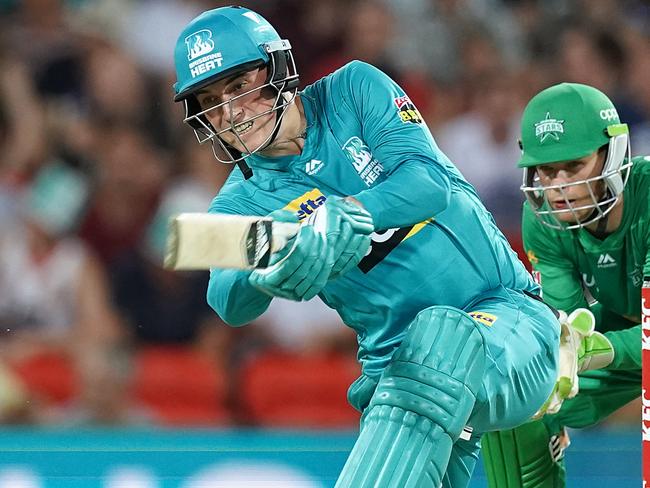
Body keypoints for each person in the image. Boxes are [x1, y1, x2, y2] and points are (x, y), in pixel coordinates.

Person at [172, 6, 561, 487]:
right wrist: (270, 262)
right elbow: (225, 299)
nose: (230, 113)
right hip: (396, 379)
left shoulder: (354, 88)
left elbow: (428, 183)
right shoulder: (234, 206)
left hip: (506, 319)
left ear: (277, 70)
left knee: (440, 338)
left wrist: (345, 213)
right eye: (211, 102)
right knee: (419, 360)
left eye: (239, 88)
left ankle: (563, 359)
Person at [482, 83, 647, 487]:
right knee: (515, 398)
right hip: (629, 328)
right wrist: (560, 369)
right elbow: (567, 326)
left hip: (640, 331)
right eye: (544, 169)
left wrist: (590, 348)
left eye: (572, 166)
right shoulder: (542, 222)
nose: (555, 186)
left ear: (614, 155)